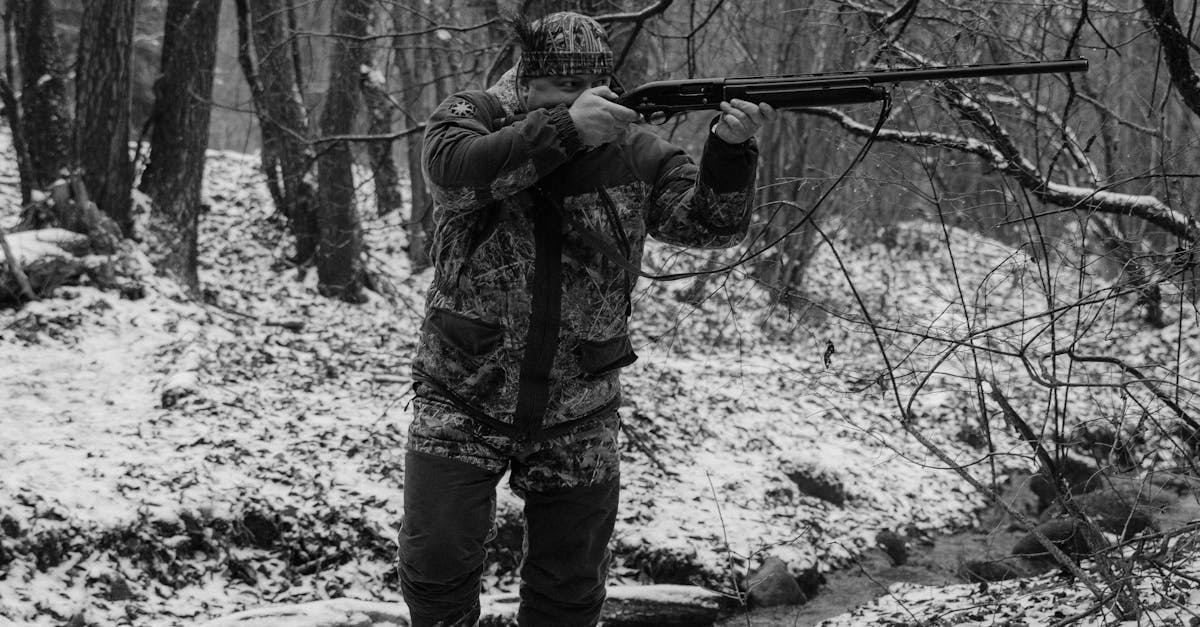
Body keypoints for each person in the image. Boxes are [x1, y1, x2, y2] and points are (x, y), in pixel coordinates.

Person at [398, 11, 775, 627]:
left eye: (586, 90)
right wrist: (565, 131)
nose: (577, 104)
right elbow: (454, 176)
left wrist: (731, 151)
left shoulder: (635, 147)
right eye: (558, 93)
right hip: (461, 389)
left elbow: (711, 226)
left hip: (581, 403)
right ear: (527, 82)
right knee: (435, 568)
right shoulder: (474, 115)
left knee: (569, 592)